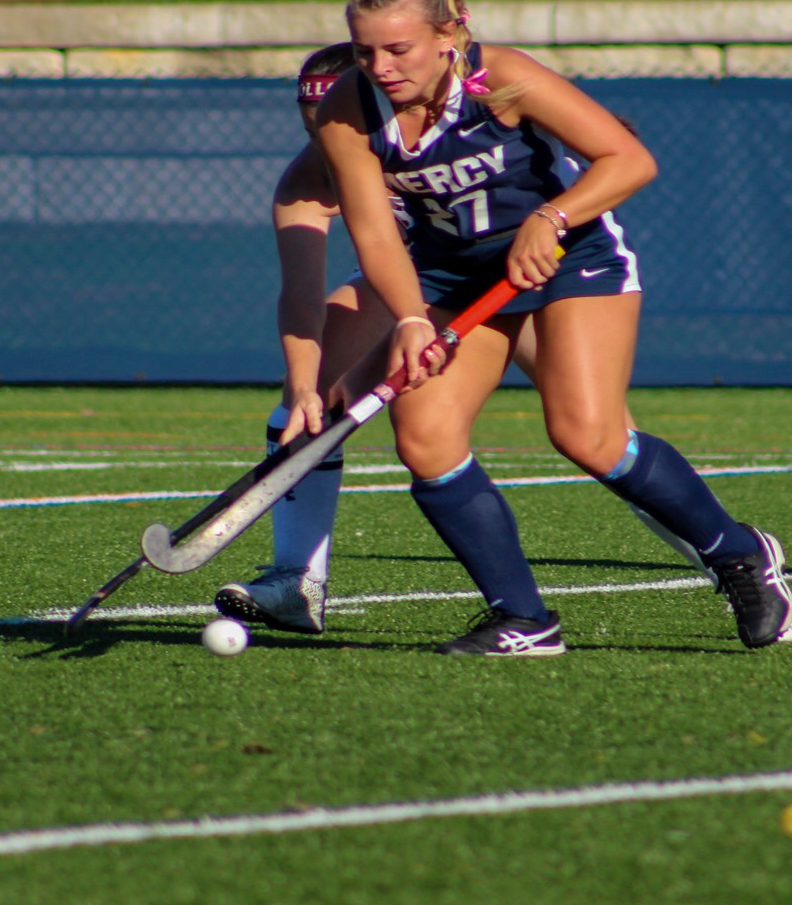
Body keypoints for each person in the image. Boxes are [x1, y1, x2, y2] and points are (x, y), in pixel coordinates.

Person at [310, 0, 792, 655]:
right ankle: (523, 618)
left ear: (449, 34)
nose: (381, 67)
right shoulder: (347, 110)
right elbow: (374, 232)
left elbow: (628, 158)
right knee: (424, 439)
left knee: (586, 434)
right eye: (365, 50)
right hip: (453, 280)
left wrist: (551, 219)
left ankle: (739, 554)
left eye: (398, 48)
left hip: (572, 262)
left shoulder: (500, 77)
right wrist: (412, 318)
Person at [216, 45, 711, 636]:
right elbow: (301, 295)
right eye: (309, 119)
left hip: (506, 274)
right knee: (319, 385)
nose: (322, 131)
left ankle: (722, 555)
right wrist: (301, 386)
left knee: (599, 436)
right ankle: (297, 580)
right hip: (413, 285)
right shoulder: (312, 175)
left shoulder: (429, 127)